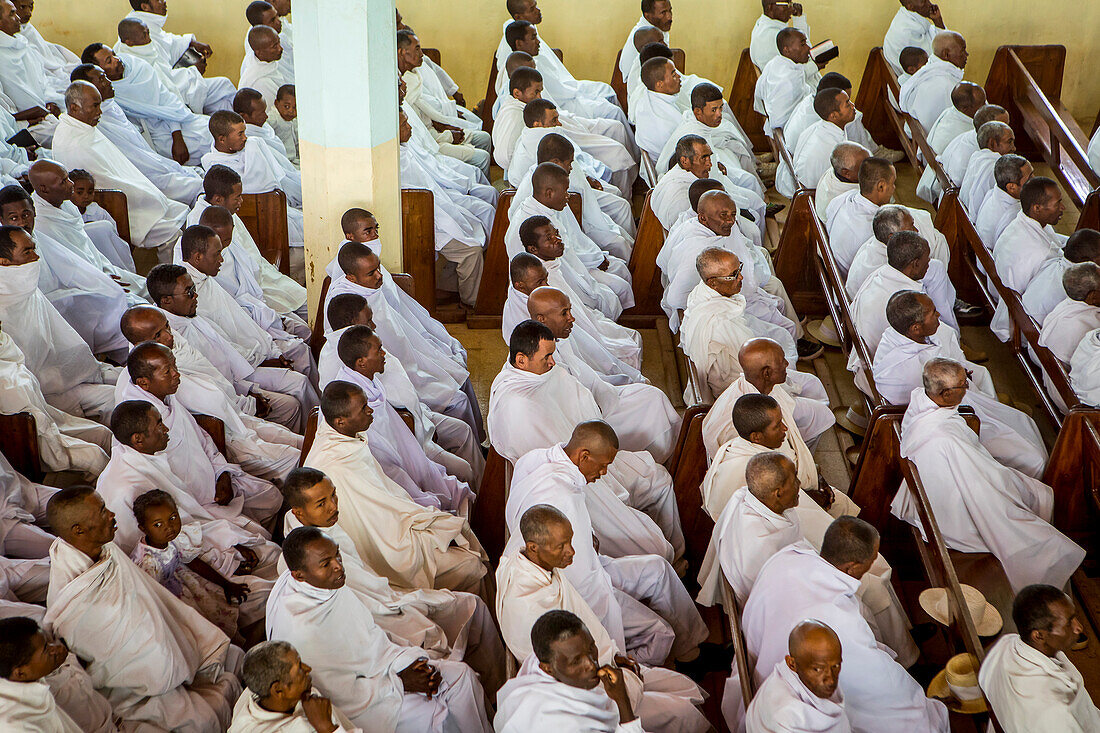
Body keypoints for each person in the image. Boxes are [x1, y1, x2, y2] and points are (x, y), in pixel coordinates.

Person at [281, 468, 507, 694]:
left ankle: (496, 688)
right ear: (298, 512)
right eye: (321, 503)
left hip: (385, 597)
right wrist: (409, 601)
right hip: (380, 619)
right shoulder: (306, 557)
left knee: (472, 605)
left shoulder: (316, 528)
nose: (333, 506)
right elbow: (362, 606)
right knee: (461, 619)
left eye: (334, 495)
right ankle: (491, 692)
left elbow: (366, 579)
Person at [503, 419, 707, 667]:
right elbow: (582, 582)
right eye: (602, 466)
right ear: (583, 455)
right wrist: (610, 616)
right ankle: (634, 672)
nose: (603, 473)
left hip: (589, 566)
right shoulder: (559, 494)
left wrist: (588, 539)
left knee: (659, 569)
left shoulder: (536, 459)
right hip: (575, 591)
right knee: (660, 632)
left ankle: (692, 650)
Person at [44, 486, 241, 731]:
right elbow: (98, 642)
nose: (112, 515)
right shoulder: (74, 588)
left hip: (159, 635)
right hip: (131, 674)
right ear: (78, 530)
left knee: (231, 655)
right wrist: (157, 651)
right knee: (202, 718)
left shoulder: (105, 549)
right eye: (102, 511)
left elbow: (148, 594)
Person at [496, 505, 708, 732]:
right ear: (533, 547)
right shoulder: (530, 607)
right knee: (685, 713)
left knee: (685, 686)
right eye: (561, 546)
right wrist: (620, 679)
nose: (571, 552)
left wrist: (614, 656)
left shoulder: (533, 564)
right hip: (592, 691)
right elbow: (570, 669)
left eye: (570, 541)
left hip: (603, 664)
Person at [266, 527, 494, 731]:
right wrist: (400, 682)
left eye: (337, 554)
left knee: (461, 675)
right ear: (299, 575)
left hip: (381, 676)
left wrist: (405, 664)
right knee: (434, 712)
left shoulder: (320, 585)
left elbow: (370, 637)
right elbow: (339, 693)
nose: (338, 566)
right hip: (362, 705)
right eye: (326, 564)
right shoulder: (303, 630)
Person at [741, 517, 949, 732]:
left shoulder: (789, 557)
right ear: (852, 567)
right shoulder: (839, 621)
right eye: (872, 560)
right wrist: (913, 695)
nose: (873, 563)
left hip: (764, 663)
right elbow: (878, 680)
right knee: (908, 709)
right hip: (798, 688)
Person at [896, 359, 1084, 591]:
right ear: (944, 394)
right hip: (952, 516)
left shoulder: (921, 400)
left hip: (943, 488)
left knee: (1031, 489)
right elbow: (980, 486)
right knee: (1045, 537)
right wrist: (1014, 484)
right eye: (962, 386)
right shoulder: (943, 438)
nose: (967, 389)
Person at [303, 381, 489, 595]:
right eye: (363, 408)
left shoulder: (343, 437)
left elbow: (382, 498)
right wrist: (419, 523)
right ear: (341, 421)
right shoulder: (335, 465)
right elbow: (370, 524)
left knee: (454, 530)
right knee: (472, 566)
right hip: (378, 549)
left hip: (388, 526)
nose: (370, 410)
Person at [120, 307, 302, 482]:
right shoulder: (149, 379)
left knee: (299, 442)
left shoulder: (170, 346)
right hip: (226, 435)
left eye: (167, 326)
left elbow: (216, 377)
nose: (169, 335)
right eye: (158, 335)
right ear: (139, 344)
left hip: (235, 417)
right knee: (294, 457)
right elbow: (209, 410)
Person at [324, 242, 483, 441]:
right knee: (458, 399)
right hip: (397, 375)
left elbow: (404, 328)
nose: (379, 276)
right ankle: (473, 448)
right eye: (371, 273)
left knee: (459, 371)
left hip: (403, 362)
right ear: (351, 278)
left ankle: (478, 441)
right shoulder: (348, 306)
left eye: (378, 269)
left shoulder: (368, 291)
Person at [320, 292, 484, 483]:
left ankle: (486, 483)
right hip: (407, 431)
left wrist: (421, 414)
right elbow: (388, 426)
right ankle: (482, 498)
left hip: (415, 416)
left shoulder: (362, 345)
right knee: (463, 470)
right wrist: (421, 426)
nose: (374, 326)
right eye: (369, 321)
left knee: (462, 430)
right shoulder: (350, 356)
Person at [113, 343, 285, 526]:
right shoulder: (140, 421)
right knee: (255, 537)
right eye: (167, 372)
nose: (176, 374)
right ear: (143, 383)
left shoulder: (166, 396)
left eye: (175, 366)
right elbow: (167, 485)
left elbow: (203, 438)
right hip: (194, 503)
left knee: (271, 497)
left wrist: (222, 473)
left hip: (214, 478)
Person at [873, 292, 1048, 470]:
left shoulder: (897, 335)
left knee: (1023, 422)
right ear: (916, 328)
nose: (939, 314)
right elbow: (943, 397)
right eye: (933, 313)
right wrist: (962, 381)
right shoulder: (906, 370)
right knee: (1032, 456)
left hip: (959, 404)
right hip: (956, 418)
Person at [147, 263, 315, 430]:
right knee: (291, 402)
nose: (196, 295)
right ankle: (312, 436)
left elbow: (227, 351)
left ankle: (314, 430)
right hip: (229, 403)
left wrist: (264, 362)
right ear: (166, 300)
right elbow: (212, 383)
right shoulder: (170, 342)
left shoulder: (188, 316)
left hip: (239, 380)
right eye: (189, 292)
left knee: (298, 383)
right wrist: (249, 398)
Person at [333, 326, 474, 512]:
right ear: (361, 362)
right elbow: (378, 450)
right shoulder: (352, 401)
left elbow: (396, 432)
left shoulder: (370, 383)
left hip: (403, 455)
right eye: (379, 350)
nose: (384, 354)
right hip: (387, 470)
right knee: (452, 486)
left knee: (456, 478)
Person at [52, 81, 189, 258]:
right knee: (172, 234)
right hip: (117, 206)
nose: (99, 112)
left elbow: (117, 166)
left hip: (134, 194)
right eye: (94, 106)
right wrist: (147, 195)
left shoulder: (81, 127)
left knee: (183, 213)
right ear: (74, 108)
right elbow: (104, 183)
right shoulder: (73, 143)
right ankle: (168, 281)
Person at [0, 223, 119, 421]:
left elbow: (58, 343)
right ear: (4, 263)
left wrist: (74, 371)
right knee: (120, 397)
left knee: (128, 378)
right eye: (27, 252)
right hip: (42, 394)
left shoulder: (27, 291)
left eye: (34, 249)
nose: (36, 257)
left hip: (62, 375)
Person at [496, 610, 677, 733]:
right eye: (576, 661)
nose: (591, 665)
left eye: (591, 649)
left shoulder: (539, 663)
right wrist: (623, 703)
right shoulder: (565, 724)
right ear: (547, 668)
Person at [682, 250, 827, 400]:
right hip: (744, 390)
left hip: (745, 363)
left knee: (781, 334)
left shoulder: (702, 291)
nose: (741, 277)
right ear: (712, 282)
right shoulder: (721, 324)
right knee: (812, 388)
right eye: (734, 275)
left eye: (740, 269)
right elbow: (748, 373)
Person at [178, 225, 315, 383]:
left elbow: (237, 318)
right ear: (198, 257)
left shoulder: (204, 279)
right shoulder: (190, 295)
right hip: (241, 365)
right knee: (299, 382)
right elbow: (220, 343)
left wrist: (271, 349)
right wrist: (263, 359)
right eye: (217, 254)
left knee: (300, 347)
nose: (221, 259)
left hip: (251, 347)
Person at [662, 192, 798, 338]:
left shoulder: (715, 227)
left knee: (776, 305)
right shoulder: (696, 249)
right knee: (784, 327)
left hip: (731, 290)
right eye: (723, 215)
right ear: (702, 218)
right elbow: (676, 299)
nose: (731, 221)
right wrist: (718, 299)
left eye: (733, 214)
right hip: (715, 304)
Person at [68, 62, 204, 206]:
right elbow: (132, 162)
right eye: (102, 79)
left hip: (156, 164)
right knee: (200, 186)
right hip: (146, 177)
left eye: (106, 77)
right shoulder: (96, 122)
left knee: (199, 174)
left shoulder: (111, 106)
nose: (108, 82)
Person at [505, 163, 634, 313]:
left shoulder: (547, 209)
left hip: (571, 271)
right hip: (554, 283)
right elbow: (553, 270)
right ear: (549, 193)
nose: (568, 196)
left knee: (616, 283)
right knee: (613, 293)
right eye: (565, 191)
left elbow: (571, 246)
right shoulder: (531, 224)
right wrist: (589, 287)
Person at [130, 489, 255, 641]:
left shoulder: (172, 538)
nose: (169, 527)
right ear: (143, 528)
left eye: (173, 517)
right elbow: (154, 603)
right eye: (158, 524)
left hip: (188, 584)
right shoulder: (147, 563)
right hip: (172, 605)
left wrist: (226, 584)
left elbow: (193, 562)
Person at [189, 164, 308, 320]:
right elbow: (227, 276)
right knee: (300, 318)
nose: (241, 201)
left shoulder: (223, 211)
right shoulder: (203, 225)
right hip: (247, 290)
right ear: (218, 199)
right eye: (237, 197)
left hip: (262, 276)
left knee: (308, 302)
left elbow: (249, 252)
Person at [396, 111, 490, 307]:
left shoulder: (404, 149)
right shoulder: (396, 161)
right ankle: (472, 302)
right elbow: (420, 197)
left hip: (439, 206)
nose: (410, 127)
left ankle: (450, 287)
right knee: (471, 251)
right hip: (427, 218)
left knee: (478, 219)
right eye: (405, 125)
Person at [979, 585, 1100, 732]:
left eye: (1075, 616)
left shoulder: (1008, 644)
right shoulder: (1054, 712)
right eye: (1069, 623)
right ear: (1039, 635)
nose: (1078, 627)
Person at [200, 110, 306, 271]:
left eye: (245, 133)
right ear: (222, 139)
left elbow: (281, 175)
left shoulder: (251, 145)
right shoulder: (213, 165)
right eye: (240, 134)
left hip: (277, 205)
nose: (245, 138)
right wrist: (253, 150)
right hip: (262, 215)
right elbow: (260, 185)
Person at [0, 323, 110, 476]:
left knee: (103, 433)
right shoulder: (6, 383)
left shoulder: (9, 357)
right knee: (95, 455)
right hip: (40, 441)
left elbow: (44, 413)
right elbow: (38, 434)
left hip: (51, 421)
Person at [495, 3, 626, 130]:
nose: (538, 10)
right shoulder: (521, 67)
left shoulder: (528, 46)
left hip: (563, 97)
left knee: (606, 93)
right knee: (613, 115)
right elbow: (553, 97)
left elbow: (555, 84)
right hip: (561, 105)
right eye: (532, 8)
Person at [700, 333, 833, 458]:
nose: (787, 364)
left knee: (814, 397)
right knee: (817, 416)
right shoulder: (744, 415)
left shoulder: (759, 385)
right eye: (782, 362)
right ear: (767, 374)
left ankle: (803, 450)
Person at [505, 251, 642, 371]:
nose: (546, 285)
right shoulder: (521, 317)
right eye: (540, 282)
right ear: (520, 286)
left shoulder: (535, 294)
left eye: (546, 279)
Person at [82, 42, 214, 166]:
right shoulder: (107, 94)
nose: (117, 60)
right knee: (211, 141)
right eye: (109, 61)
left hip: (178, 123)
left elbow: (167, 100)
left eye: (114, 54)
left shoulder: (137, 67)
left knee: (214, 129)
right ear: (99, 71)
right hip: (156, 138)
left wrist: (177, 136)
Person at [27, 160, 146, 296]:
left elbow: (87, 248)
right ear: (44, 189)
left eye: (68, 178)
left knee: (146, 286)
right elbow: (68, 268)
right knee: (137, 297)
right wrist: (101, 281)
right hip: (80, 286)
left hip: (96, 269)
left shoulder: (66, 204)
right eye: (63, 182)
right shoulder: (40, 222)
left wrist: (105, 271)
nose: (71, 184)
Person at [851, 231, 958, 362]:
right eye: (927, 260)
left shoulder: (881, 274)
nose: (929, 263)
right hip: (886, 362)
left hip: (868, 349)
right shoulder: (906, 300)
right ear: (915, 264)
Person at [0, 615, 116, 732]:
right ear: (20, 673)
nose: (55, 649)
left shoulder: (26, 678)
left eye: (48, 643)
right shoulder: (16, 725)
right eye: (46, 649)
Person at [120, 0, 232, 114]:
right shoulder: (138, 35)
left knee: (221, 100)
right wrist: (194, 72)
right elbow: (162, 81)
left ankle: (225, 128)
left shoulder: (141, 26)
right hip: (167, 94)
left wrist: (191, 43)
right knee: (224, 86)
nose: (164, 2)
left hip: (175, 81)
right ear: (145, 7)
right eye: (158, 0)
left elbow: (167, 40)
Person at [655, 82, 763, 199]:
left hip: (711, 171)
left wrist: (717, 165)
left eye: (721, 108)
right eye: (714, 110)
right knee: (751, 196)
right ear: (697, 112)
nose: (719, 114)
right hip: (700, 183)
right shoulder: (694, 135)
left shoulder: (697, 123)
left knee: (749, 180)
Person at [991, 177, 1068, 339]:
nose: (1063, 207)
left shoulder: (1021, 221)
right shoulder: (1041, 252)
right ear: (1037, 208)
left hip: (1003, 293)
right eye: (1057, 204)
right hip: (1022, 319)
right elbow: (1039, 294)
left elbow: (1054, 241)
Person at [651, 134, 764, 240]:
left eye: (709, 157)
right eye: (703, 159)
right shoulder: (681, 195)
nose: (709, 164)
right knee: (752, 231)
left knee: (753, 209)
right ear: (684, 161)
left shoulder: (684, 173)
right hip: (704, 239)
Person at [745, 620, 851, 733]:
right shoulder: (785, 715)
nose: (830, 680)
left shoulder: (802, 671)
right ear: (792, 664)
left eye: (836, 665)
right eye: (817, 669)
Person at [230, 640, 359, 732]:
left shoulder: (257, 691)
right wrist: (327, 728)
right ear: (278, 690)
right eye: (299, 668)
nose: (308, 668)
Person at [845, 204, 952, 297]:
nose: (916, 230)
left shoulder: (877, 242)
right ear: (892, 237)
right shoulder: (890, 262)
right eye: (911, 227)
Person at [0, 0, 61, 146]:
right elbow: (4, 112)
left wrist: (49, 103)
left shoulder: (23, 44)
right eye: (12, 14)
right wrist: (26, 117)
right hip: (21, 125)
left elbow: (42, 80)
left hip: (43, 114)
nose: (19, 18)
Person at [1025, 228, 1100, 327]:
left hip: (1027, 321)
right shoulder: (1079, 285)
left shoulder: (1055, 263)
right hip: (1034, 333)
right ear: (1087, 261)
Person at [753, 27, 820, 133]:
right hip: (788, 130)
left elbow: (758, 94)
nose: (808, 48)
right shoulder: (790, 79)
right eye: (802, 44)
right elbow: (779, 120)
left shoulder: (775, 62)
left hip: (780, 127)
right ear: (786, 50)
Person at [898, 31, 967, 131]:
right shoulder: (947, 86)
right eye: (963, 51)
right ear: (946, 54)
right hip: (928, 142)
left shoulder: (929, 67)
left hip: (916, 133)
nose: (967, 54)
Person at [1039, 262, 1100, 365]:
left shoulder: (1066, 304)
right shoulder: (1091, 322)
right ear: (1092, 296)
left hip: (1048, 366)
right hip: (1065, 376)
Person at [975, 153, 1031, 250]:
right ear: (1012, 187)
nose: (1035, 179)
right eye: (1029, 178)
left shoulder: (992, 193)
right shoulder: (1014, 217)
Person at [959, 121, 1015, 212]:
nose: (1014, 148)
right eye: (1009, 142)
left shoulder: (977, 156)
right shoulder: (996, 168)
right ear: (992, 144)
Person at [883, 0, 950, 75]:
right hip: (913, 81)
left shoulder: (914, 20)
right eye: (924, 2)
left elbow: (944, 45)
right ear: (910, 6)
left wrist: (938, 20)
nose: (930, 4)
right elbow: (937, 58)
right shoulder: (904, 31)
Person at [925, 80, 986, 156]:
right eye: (982, 103)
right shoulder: (959, 132)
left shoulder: (954, 110)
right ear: (965, 109)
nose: (986, 106)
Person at [750, 0, 813, 72]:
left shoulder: (761, 24)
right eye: (787, 4)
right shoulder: (773, 36)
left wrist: (799, 18)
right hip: (789, 80)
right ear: (770, 7)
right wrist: (816, 65)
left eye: (791, 4)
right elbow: (807, 57)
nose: (792, 9)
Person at [816, 142, 868, 222]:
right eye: (864, 167)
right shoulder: (848, 202)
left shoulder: (837, 171)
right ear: (846, 173)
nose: (870, 168)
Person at [238, 25, 285, 111]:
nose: (280, 48)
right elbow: (277, 114)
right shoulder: (260, 82)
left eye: (279, 42)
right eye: (274, 46)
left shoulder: (267, 62)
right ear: (259, 52)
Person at [269, 84, 298, 166]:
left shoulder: (293, 120)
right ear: (276, 103)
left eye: (295, 107)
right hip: (280, 163)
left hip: (293, 160)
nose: (291, 111)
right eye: (286, 106)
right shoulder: (272, 120)